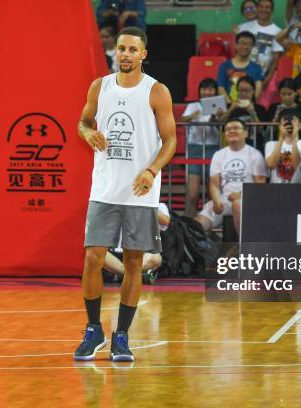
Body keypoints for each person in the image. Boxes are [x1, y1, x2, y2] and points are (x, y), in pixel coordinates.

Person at [75, 27, 176, 362]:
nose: (126, 54)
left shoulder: (156, 91)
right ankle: (94, 330)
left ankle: (122, 336)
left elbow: (171, 140)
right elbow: (83, 122)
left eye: (133, 49)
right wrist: (88, 133)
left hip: (140, 190)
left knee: (133, 262)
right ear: (114, 51)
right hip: (104, 187)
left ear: (143, 54)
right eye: (121, 48)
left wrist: (150, 171)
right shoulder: (98, 86)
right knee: (93, 257)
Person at [195, 118, 267, 238]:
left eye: (236, 128)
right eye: (228, 129)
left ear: (246, 133)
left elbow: (260, 183)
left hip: (250, 199)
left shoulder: (255, 154)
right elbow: (214, 184)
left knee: (237, 204)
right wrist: (217, 201)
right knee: (200, 220)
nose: (232, 131)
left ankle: (243, 249)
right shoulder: (219, 155)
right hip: (225, 199)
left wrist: (242, 194)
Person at [180, 77, 222, 217]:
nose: (207, 92)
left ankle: (211, 227)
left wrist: (216, 116)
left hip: (213, 149)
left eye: (210, 89)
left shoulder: (218, 105)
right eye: (204, 89)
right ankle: (187, 227)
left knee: (212, 193)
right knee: (192, 194)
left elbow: (219, 124)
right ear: (200, 91)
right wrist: (195, 114)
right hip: (194, 149)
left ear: (215, 91)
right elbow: (182, 119)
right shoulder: (193, 105)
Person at [103, 202, 170, 284]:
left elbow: (165, 221)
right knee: (99, 254)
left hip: (143, 254)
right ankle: (133, 275)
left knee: (156, 258)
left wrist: (147, 206)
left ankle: (120, 274)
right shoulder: (120, 203)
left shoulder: (160, 206)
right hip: (117, 253)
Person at [235, 0, 283, 87]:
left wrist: (268, 78)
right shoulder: (243, 27)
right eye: (261, 6)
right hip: (242, 74)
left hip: (262, 77)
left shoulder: (277, 31)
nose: (264, 10)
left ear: (272, 10)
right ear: (257, 8)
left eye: (267, 7)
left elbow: (276, 57)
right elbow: (237, 52)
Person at [265, 108, 301, 183]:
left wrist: (294, 138)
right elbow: (271, 164)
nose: (290, 125)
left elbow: (298, 167)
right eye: (286, 122)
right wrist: (281, 138)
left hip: (298, 188)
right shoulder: (271, 144)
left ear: (300, 125)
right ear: (279, 125)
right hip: (276, 189)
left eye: (293, 122)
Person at [216, 31, 264, 102]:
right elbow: (220, 88)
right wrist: (231, 105)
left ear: (252, 47)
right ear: (235, 45)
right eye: (241, 43)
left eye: (248, 44)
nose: (245, 47)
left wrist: (248, 104)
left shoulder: (256, 67)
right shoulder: (224, 66)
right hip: (229, 107)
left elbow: (258, 89)